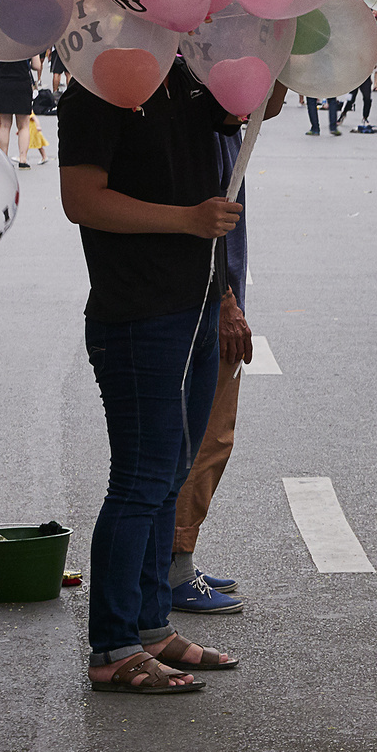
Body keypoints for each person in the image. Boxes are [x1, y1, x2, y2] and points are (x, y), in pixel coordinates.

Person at [57, 62, 283, 693]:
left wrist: (284, 46)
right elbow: (81, 199)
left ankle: (152, 627)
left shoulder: (183, 75)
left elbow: (253, 109)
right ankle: (113, 646)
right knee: (141, 479)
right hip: (137, 314)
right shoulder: (101, 85)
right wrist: (186, 219)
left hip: (194, 306)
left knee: (170, 472)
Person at [170, 130, 251, 615]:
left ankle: (176, 560)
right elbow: (205, 222)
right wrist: (224, 299)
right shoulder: (202, 125)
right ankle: (175, 568)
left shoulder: (221, 122)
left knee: (205, 438)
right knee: (203, 440)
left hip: (213, 297)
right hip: (206, 302)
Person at [0, 55, 38, 169]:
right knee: (23, 126)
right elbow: (37, 65)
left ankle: (4, 157)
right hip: (22, 83)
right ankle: (23, 159)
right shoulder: (29, 39)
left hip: (3, 83)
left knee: (4, 125)